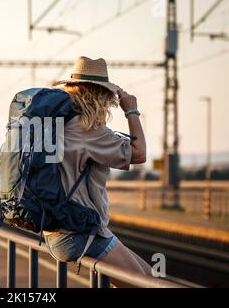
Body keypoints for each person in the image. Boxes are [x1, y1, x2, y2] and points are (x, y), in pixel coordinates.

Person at [45, 56, 151, 287]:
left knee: (149, 275)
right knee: (145, 284)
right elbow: (140, 153)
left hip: (59, 230)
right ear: (101, 95)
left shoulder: (59, 124)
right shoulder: (89, 131)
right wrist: (132, 111)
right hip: (79, 234)